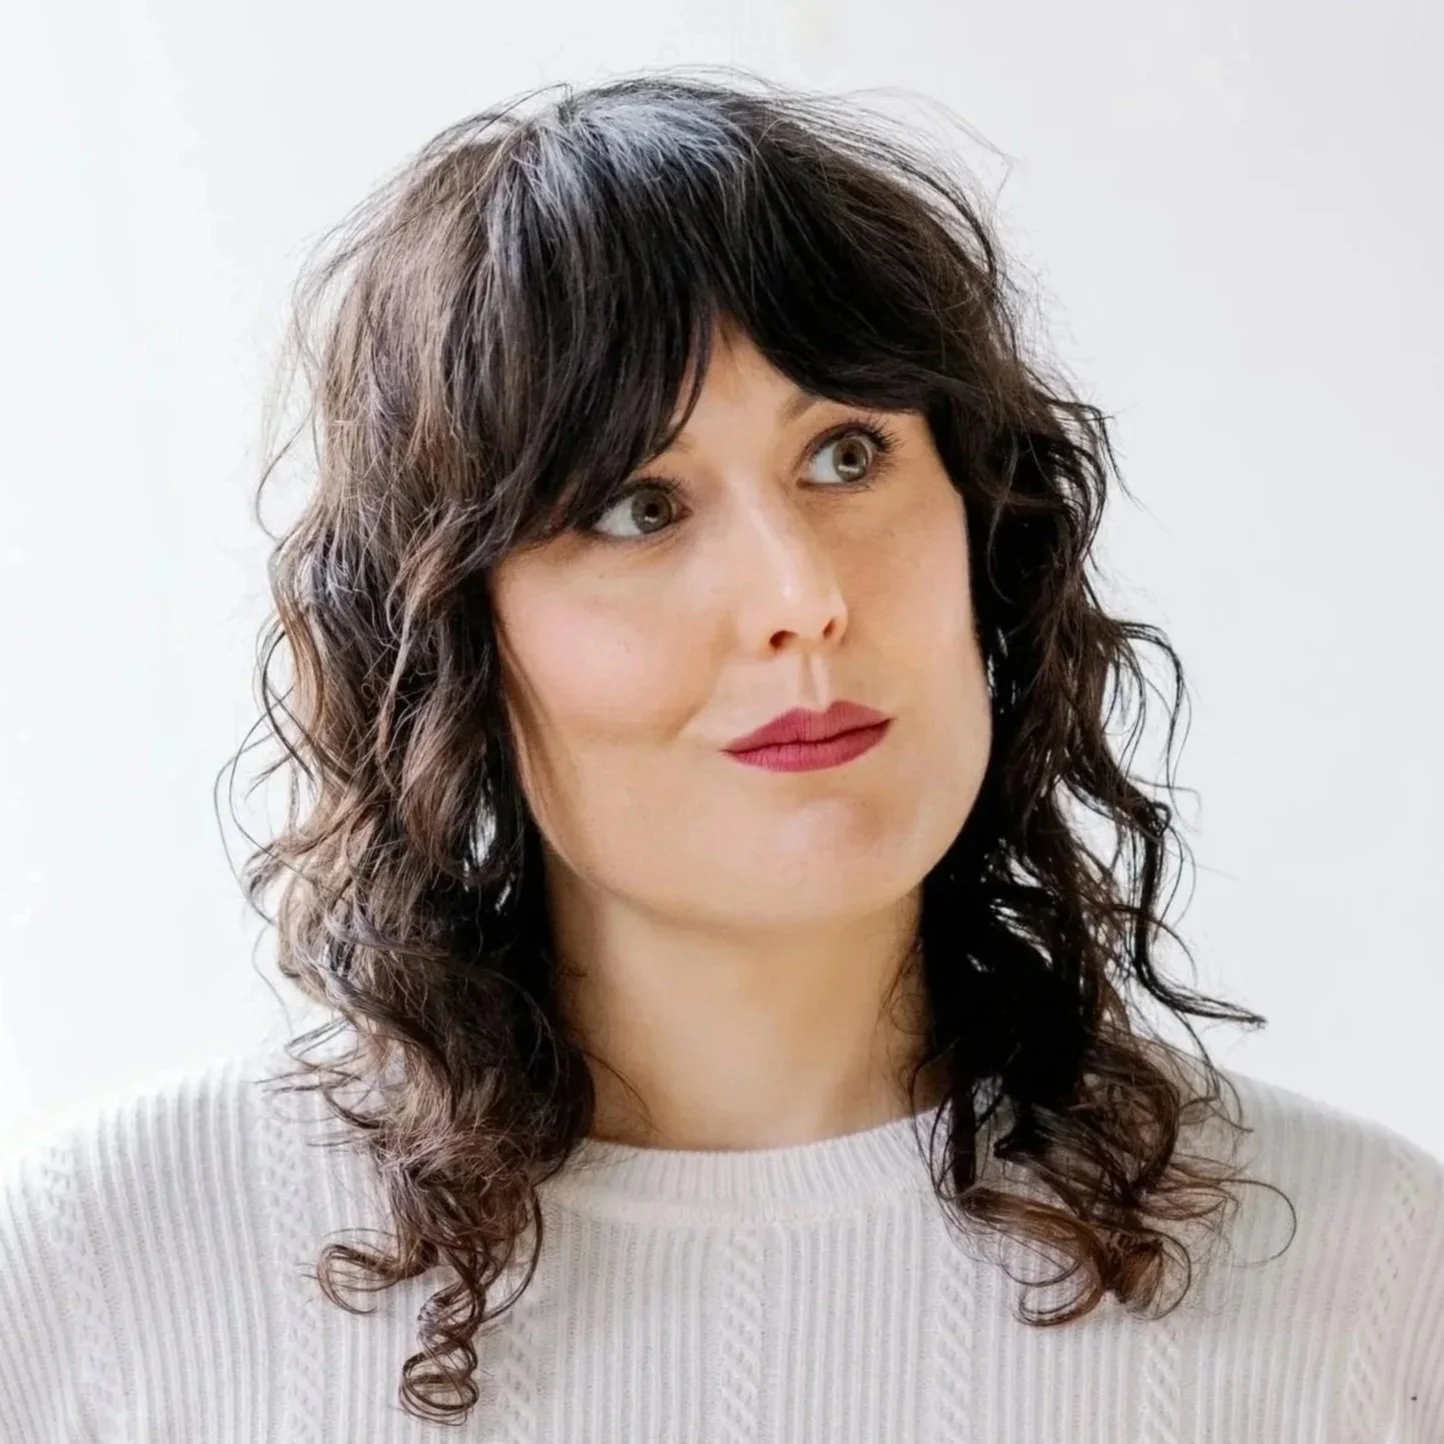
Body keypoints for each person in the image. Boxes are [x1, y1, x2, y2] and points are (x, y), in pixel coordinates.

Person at [2, 66, 1440, 1444]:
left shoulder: (1366, 1284)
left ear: (987, 536)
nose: (799, 596)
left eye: (848, 457)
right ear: (449, 647)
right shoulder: (103, 1279)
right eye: (638, 506)